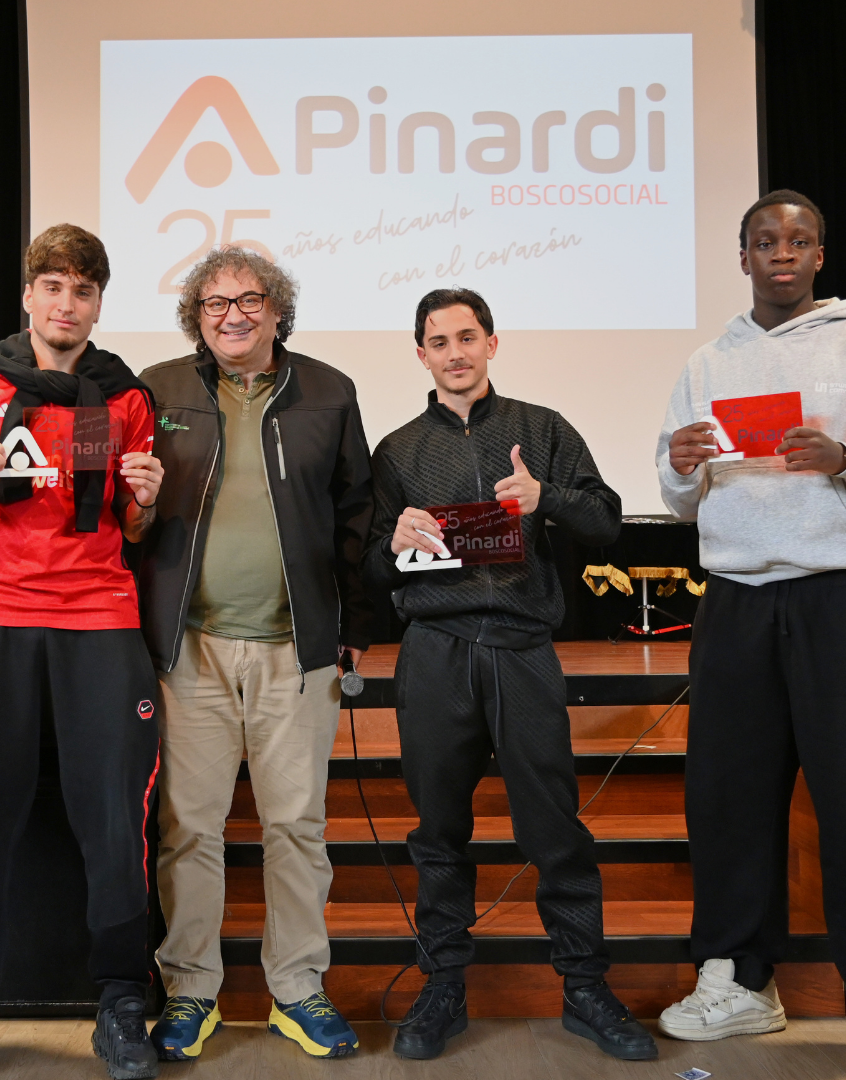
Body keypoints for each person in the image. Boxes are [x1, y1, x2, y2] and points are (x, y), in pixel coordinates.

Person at [655, 190, 846, 1080]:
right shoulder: (708, 361)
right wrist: (677, 472)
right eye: (763, 241)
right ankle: (742, 983)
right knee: (728, 803)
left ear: (820, 254)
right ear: (741, 256)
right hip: (738, 599)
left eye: (797, 240)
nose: (780, 253)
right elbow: (683, 492)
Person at [362, 288, 658, 1062]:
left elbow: (607, 520)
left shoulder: (542, 430)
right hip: (435, 652)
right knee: (437, 833)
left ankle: (585, 988)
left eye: (468, 337)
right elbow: (370, 572)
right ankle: (442, 987)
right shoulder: (397, 451)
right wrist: (395, 542)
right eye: (439, 341)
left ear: (493, 343)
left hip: (523, 649)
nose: (455, 352)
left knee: (555, 830)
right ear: (420, 354)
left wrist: (544, 497)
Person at [0, 225, 165, 1080]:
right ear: (28, 295)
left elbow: (129, 528)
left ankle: (124, 1001)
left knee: (113, 816)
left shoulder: (120, 396)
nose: (66, 304)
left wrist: (145, 503)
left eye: (83, 290)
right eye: (51, 286)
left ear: (99, 302)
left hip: (99, 620)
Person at [135, 247, 374, 1060]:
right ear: (195, 318)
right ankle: (189, 993)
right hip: (188, 650)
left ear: (278, 309)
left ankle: (299, 989)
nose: (232, 314)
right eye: (213, 303)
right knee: (189, 829)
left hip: (296, 653)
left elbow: (357, 515)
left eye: (249, 299)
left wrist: (346, 628)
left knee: (297, 827)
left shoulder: (329, 391)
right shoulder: (157, 389)